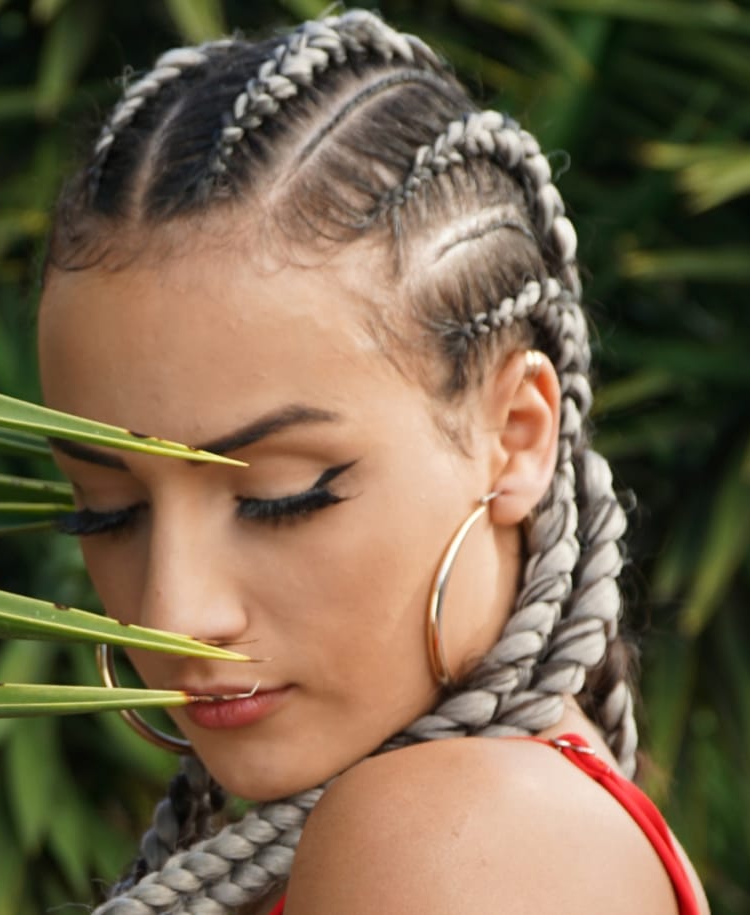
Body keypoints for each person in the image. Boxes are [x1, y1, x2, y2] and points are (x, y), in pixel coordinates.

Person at [37, 9, 710, 913]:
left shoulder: (459, 841)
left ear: (515, 435)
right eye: (109, 509)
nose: (171, 611)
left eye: (281, 498)